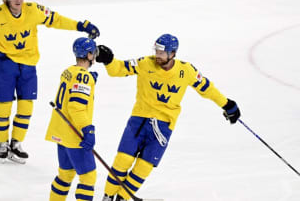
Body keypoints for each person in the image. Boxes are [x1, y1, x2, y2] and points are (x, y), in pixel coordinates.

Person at [0, 0, 100, 162]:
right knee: (4, 104)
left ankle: (16, 143)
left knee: (26, 105)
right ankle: (2, 143)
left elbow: (56, 19)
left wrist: (80, 25)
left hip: (28, 65)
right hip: (5, 63)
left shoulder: (33, 10)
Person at [95, 34, 241, 201]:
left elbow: (206, 88)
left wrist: (226, 104)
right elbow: (118, 69)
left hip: (164, 126)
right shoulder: (145, 63)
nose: (157, 55)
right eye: (156, 50)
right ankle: (107, 197)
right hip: (139, 120)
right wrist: (108, 60)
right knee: (123, 160)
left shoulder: (186, 71)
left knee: (144, 167)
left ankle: (122, 198)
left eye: (162, 53)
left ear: (173, 53)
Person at [45, 37, 99, 201]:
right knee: (88, 177)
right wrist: (87, 129)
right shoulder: (84, 78)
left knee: (66, 175)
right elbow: (76, 107)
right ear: (89, 55)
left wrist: (89, 79)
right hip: (75, 135)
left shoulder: (69, 71)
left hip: (61, 133)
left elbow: (71, 90)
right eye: (93, 53)